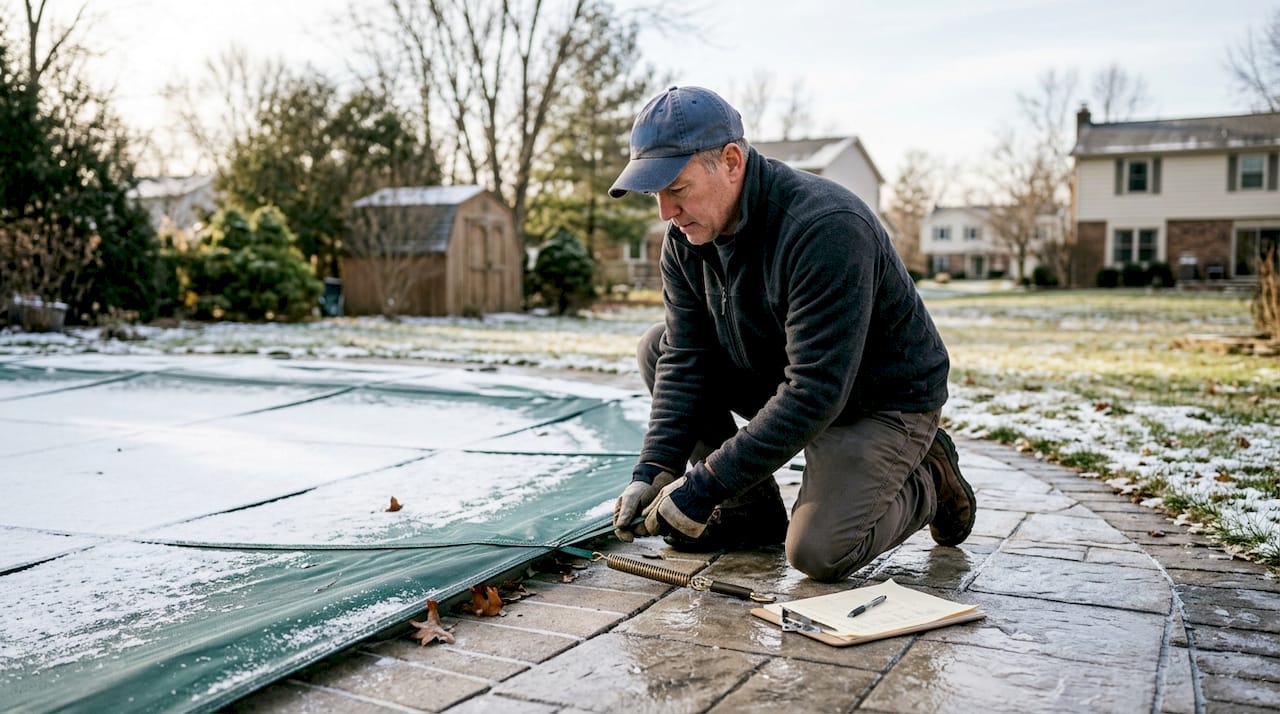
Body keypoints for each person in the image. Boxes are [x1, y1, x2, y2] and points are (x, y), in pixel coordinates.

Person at [608, 86, 976, 583]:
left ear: (732, 161)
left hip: (879, 400)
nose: (665, 212)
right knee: (659, 347)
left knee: (819, 553)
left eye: (676, 188)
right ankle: (749, 514)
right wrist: (653, 470)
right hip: (792, 375)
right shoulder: (686, 238)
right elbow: (687, 356)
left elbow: (815, 390)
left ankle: (930, 474)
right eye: (656, 195)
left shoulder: (824, 226)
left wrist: (705, 487)